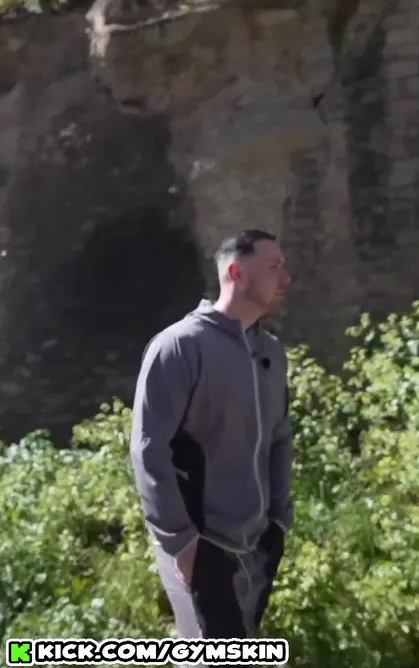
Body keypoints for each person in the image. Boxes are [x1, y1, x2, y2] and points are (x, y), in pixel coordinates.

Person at [130, 229, 294, 642]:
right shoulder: (179, 347)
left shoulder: (272, 353)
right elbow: (149, 450)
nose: (286, 278)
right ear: (236, 273)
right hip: (201, 547)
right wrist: (183, 544)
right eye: (274, 266)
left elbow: (279, 437)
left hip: (257, 547)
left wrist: (278, 522)